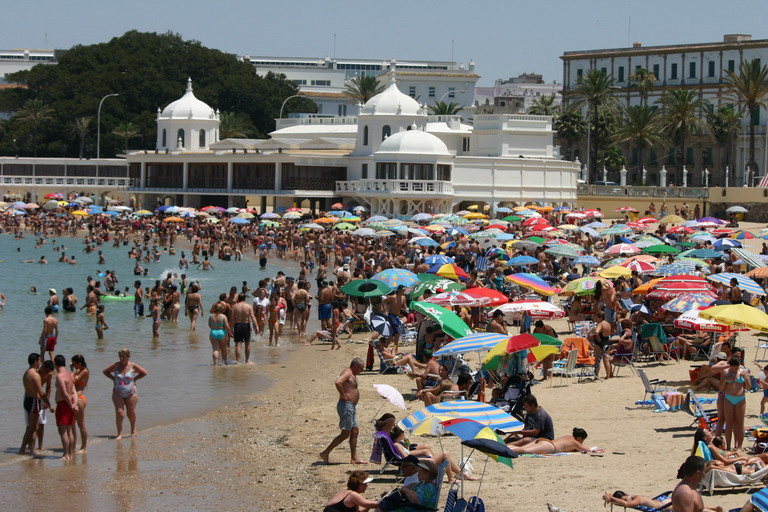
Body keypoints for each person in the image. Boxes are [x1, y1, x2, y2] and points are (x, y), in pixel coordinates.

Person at [319, 358, 365, 464]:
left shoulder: (352, 374)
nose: (362, 371)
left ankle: (354, 458)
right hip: (346, 406)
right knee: (345, 433)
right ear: (355, 366)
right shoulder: (348, 372)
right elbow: (338, 382)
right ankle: (325, 453)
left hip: (352, 406)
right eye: (361, 369)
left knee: (355, 431)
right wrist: (343, 395)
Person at [103, 349, 148, 439]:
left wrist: (135, 379)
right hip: (117, 392)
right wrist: (113, 379)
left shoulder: (132, 366)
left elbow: (144, 372)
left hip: (131, 393)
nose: (121, 358)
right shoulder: (116, 365)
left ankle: (133, 430)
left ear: (128, 356)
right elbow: (105, 371)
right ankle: (119, 434)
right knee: (120, 413)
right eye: (120, 356)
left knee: (130, 413)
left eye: (123, 356)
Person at [20, 354, 53, 455]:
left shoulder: (27, 372)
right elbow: (41, 393)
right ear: (35, 362)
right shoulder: (35, 375)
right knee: (32, 427)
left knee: (33, 426)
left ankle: (30, 449)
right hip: (34, 401)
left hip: (27, 400)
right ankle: (23, 449)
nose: (40, 362)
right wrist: (49, 405)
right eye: (39, 360)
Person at [53, 354, 79, 461]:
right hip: (70, 403)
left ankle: (66, 454)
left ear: (55, 364)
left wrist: (70, 405)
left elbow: (64, 393)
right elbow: (74, 392)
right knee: (69, 430)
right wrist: (74, 404)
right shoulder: (69, 375)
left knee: (63, 431)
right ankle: (70, 454)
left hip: (63, 404)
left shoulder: (60, 376)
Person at [720, 357, 749, 450]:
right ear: (730, 366)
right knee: (729, 423)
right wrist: (725, 380)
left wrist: (746, 378)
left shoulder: (744, 372)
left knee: (740, 423)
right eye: (733, 368)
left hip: (740, 399)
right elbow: (721, 388)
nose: (735, 370)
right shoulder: (725, 372)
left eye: (736, 368)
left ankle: (739, 446)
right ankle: (728, 446)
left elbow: (748, 387)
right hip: (729, 398)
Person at [509, 427, 591, 454]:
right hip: (549, 446)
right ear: (580, 438)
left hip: (543, 441)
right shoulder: (575, 442)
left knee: (521, 448)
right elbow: (587, 450)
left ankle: (504, 447)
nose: (582, 443)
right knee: (523, 450)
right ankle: (503, 450)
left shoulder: (568, 436)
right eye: (582, 440)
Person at [71, 354, 89, 453]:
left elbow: (73, 380)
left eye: (74, 363)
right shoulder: (77, 370)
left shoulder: (85, 371)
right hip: (74, 398)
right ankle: (73, 446)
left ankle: (83, 447)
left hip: (80, 398)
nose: (73, 365)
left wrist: (71, 370)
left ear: (79, 363)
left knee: (81, 424)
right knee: (72, 423)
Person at [232, 293, 257, 364]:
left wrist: (231, 328)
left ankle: (237, 361)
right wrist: (256, 326)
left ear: (238, 299)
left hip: (237, 325)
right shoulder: (248, 306)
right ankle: (247, 361)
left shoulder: (234, 306)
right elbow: (252, 317)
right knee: (247, 343)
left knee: (238, 344)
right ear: (245, 298)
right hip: (246, 325)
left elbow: (232, 318)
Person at [602, 490, 672, 510]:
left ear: (626, 495)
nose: (626, 501)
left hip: (664, 505)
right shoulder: (630, 497)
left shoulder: (638, 499)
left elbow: (626, 504)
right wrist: (608, 497)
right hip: (660, 500)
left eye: (625, 499)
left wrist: (611, 498)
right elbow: (604, 496)